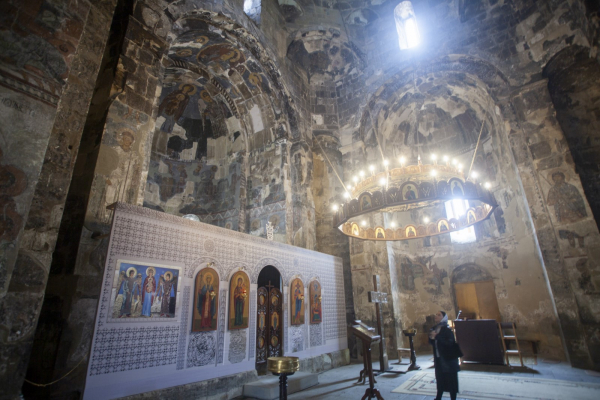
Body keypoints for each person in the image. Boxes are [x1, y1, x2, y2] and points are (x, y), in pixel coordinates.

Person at [429, 311, 460, 400]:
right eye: (436, 314)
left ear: (443, 318)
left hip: (448, 359)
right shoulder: (434, 328)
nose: (436, 316)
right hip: (439, 358)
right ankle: (438, 397)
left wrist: (437, 337)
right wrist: (431, 338)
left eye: (439, 315)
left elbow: (449, 343)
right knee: (440, 379)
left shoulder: (447, 329)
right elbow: (432, 342)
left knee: (451, 380)